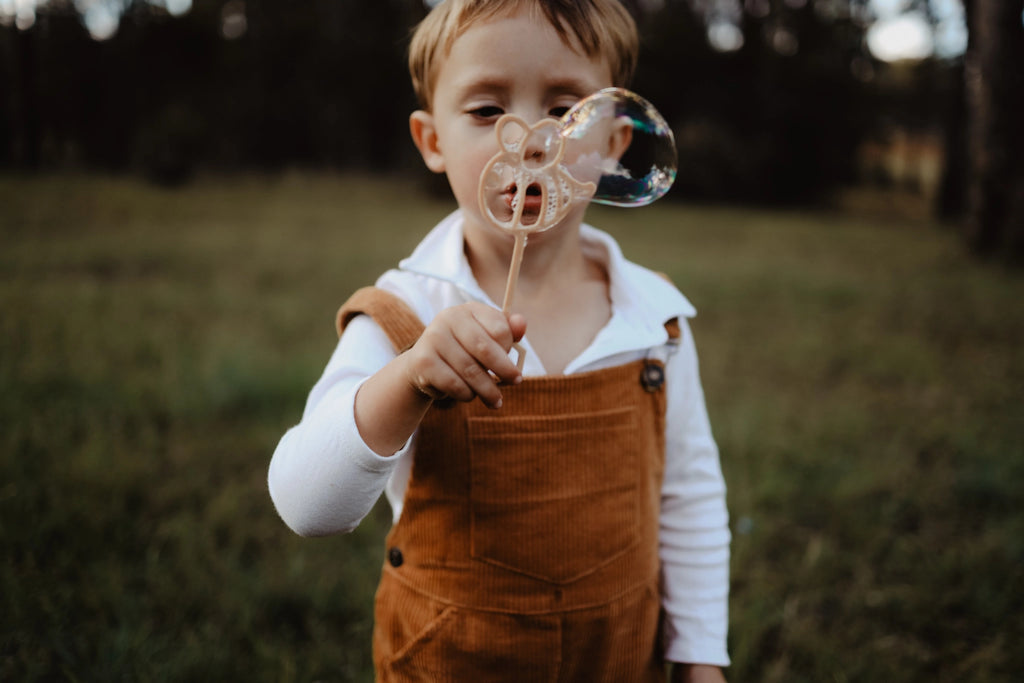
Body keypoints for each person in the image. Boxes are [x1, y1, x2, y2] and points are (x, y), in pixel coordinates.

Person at [268, 1, 730, 681]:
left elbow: (688, 491)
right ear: (432, 142)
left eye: (566, 107)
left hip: (617, 661)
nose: (533, 139)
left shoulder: (654, 317)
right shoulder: (405, 311)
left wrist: (700, 655)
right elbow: (305, 503)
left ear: (612, 144)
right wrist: (410, 378)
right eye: (487, 111)